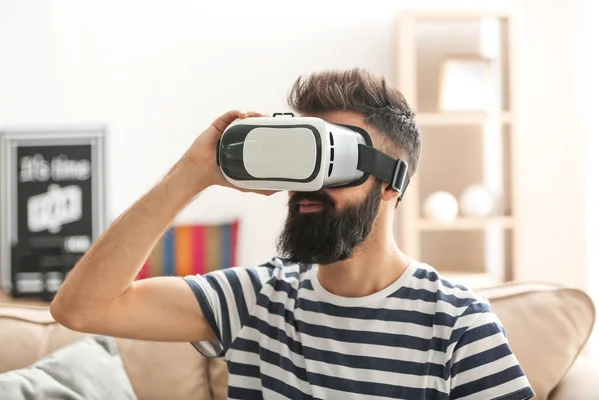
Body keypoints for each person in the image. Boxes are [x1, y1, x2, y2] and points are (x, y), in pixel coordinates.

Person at [50, 68, 535, 400]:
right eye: (304, 159)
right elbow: (80, 307)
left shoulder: (458, 327)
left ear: (392, 182)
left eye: (336, 160)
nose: (311, 185)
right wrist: (193, 172)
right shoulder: (257, 299)